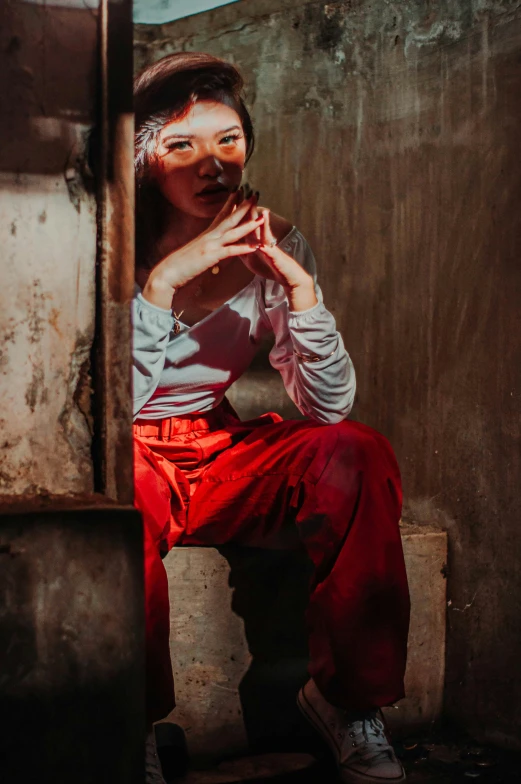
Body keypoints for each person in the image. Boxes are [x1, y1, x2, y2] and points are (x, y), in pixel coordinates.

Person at [132, 52, 410, 784]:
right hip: (121, 449)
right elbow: (110, 405)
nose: (211, 163)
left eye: (228, 140)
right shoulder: (103, 240)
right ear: (143, 160)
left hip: (215, 444)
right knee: (119, 505)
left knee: (355, 451)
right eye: (182, 145)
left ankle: (344, 701)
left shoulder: (275, 240)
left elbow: (326, 408)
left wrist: (300, 291)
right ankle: (127, 722)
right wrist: (161, 282)